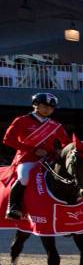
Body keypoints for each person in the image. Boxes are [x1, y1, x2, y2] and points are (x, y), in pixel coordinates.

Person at [3, 92, 69, 220]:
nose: (48, 109)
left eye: (51, 107)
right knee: (24, 177)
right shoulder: (21, 121)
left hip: (49, 159)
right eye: (45, 106)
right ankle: (13, 207)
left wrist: (61, 151)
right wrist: (33, 150)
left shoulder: (56, 125)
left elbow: (66, 143)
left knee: (69, 173)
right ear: (35, 105)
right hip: (27, 158)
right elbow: (7, 140)